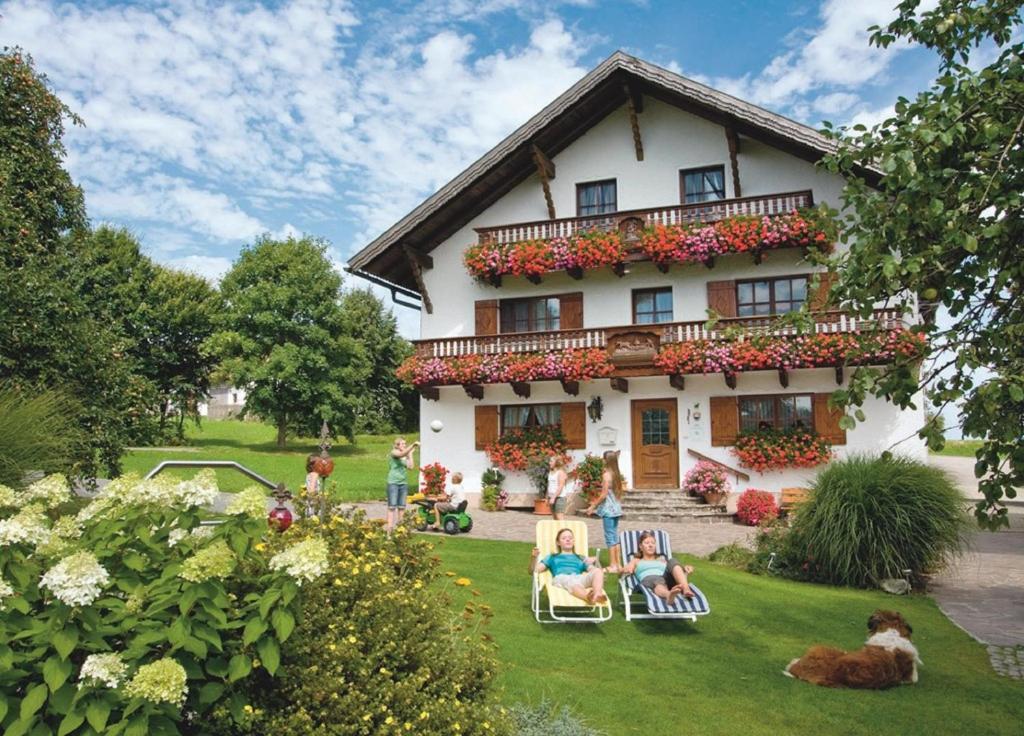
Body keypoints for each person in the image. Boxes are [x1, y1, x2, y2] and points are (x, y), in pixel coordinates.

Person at [530, 527, 608, 605]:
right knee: (572, 582)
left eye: (570, 538)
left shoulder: (581, 558)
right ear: (558, 543)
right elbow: (533, 571)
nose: (568, 540)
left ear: (573, 541)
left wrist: (596, 562)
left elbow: (592, 570)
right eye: (564, 538)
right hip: (561, 578)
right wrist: (534, 557)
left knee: (597, 571)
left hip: (578, 578)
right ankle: (588, 597)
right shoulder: (552, 557)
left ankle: (597, 595)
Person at [621, 530, 696, 605]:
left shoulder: (662, 560)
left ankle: (686, 589)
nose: (650, 545)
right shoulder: (636, 561)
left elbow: (675, 570)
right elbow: (624, 571)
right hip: (650, 580)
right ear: (640, 546)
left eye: (653, 543)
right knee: (657, 581)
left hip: (668, 580)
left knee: (672, 561)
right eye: (647, 543)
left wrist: (685, 569)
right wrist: (626, 569)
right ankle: (669, 595)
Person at [585, 450, 625, 572]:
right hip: (616, 509)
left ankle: (613, 565)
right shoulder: (616, 474)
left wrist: (592, 506)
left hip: (608, 510)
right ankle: (618, 565)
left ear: (605, 460)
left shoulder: (606, 475)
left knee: (609, 538)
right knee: (614, 537)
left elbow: (603, 495)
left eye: (603, 458)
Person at [386, 437, 418, 533]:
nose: (405, 445)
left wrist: (410, 454)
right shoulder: (394, 452)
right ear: (397, 445)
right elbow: (401, 454)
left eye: (405, 444)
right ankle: (389, 533)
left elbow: (411, 467)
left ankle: (401, 531)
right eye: (403, 444)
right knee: (392, 507)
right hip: (393, 483)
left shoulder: (404, 456)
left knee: (402, 507)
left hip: (403, 483)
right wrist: (413, 445)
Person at [546, 456, 570, 520]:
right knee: (555, 518)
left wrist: (553, 497)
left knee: (559, 518)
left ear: (556, 463)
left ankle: (564, 530)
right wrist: (547, 498)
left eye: (551, 461)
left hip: (560, 498)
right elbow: (549, 485)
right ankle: (558, 530)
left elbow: (560, 486)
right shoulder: (550, 472)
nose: (549, 463)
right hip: (551, 497)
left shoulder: (560, 472)